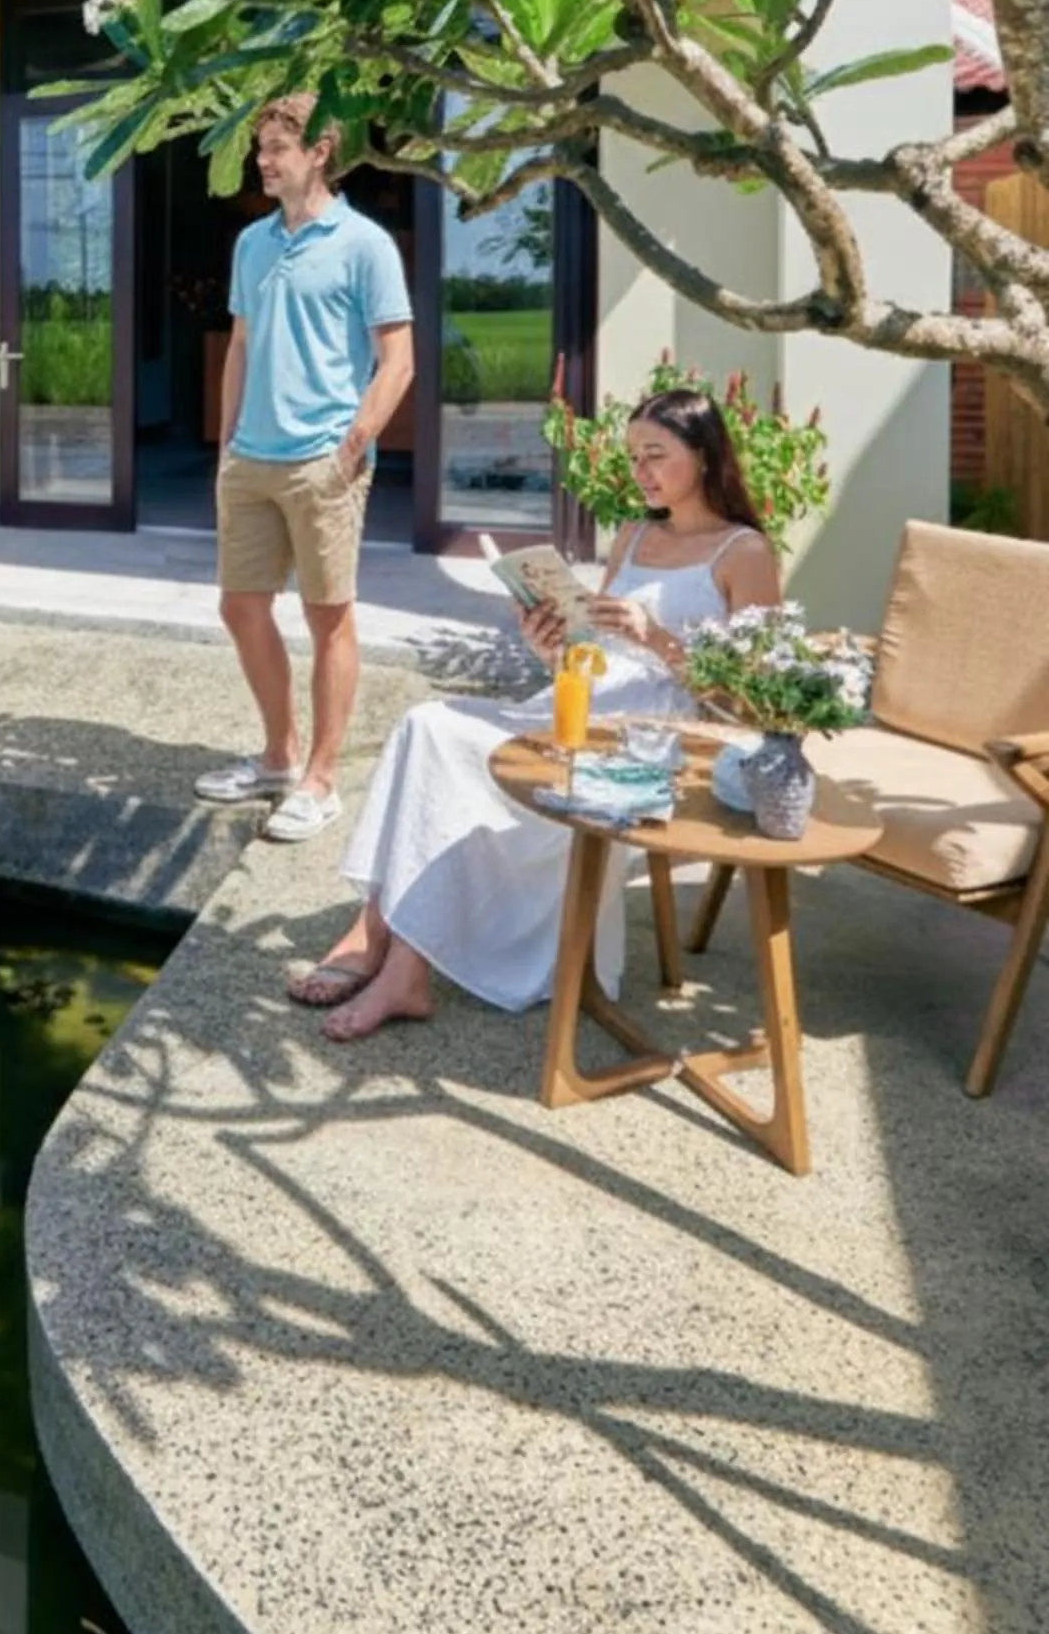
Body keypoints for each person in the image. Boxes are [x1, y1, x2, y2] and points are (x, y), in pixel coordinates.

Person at [297, 384, 781, 1039]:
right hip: (583, 704)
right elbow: (594, 652)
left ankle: (397, 962)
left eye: (656, 455)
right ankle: (379, 929)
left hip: (657, 738)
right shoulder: (635, 535)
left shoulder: (744, 553)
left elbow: (752, 698)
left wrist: (658, 639)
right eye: (634, 457)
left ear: (703, 455)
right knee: (426, 726)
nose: (641, 471)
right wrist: (550, 645)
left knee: (443, 747)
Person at [194, 96, 414, 845]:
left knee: (329, 619)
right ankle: (279, 757)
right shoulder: (252, 243)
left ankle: (321, 780)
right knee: (240, 607)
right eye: (260, 146)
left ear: (321, 151)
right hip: (250, 460)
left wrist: (352, 447)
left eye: (277, 146)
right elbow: (242, 346)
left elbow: (397, 361)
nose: (263, 159)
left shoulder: (365, 245)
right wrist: (225, 446)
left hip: (323, 461)